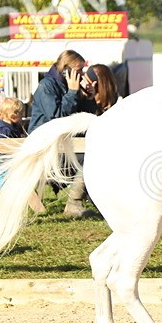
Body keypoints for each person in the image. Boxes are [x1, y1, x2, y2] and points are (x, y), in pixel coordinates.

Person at [29, 51, 97, 217]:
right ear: (66, 70)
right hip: (46, 145)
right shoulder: (47, 86)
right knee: (89, 158)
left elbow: (83, 117)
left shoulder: (68, 86)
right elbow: (57, 119)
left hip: (63, 143)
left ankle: (78, 202)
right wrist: (73, 93)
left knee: (94, 154)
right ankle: (74, 203)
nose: (82, 75)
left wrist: (88, 96)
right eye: (78, 70)